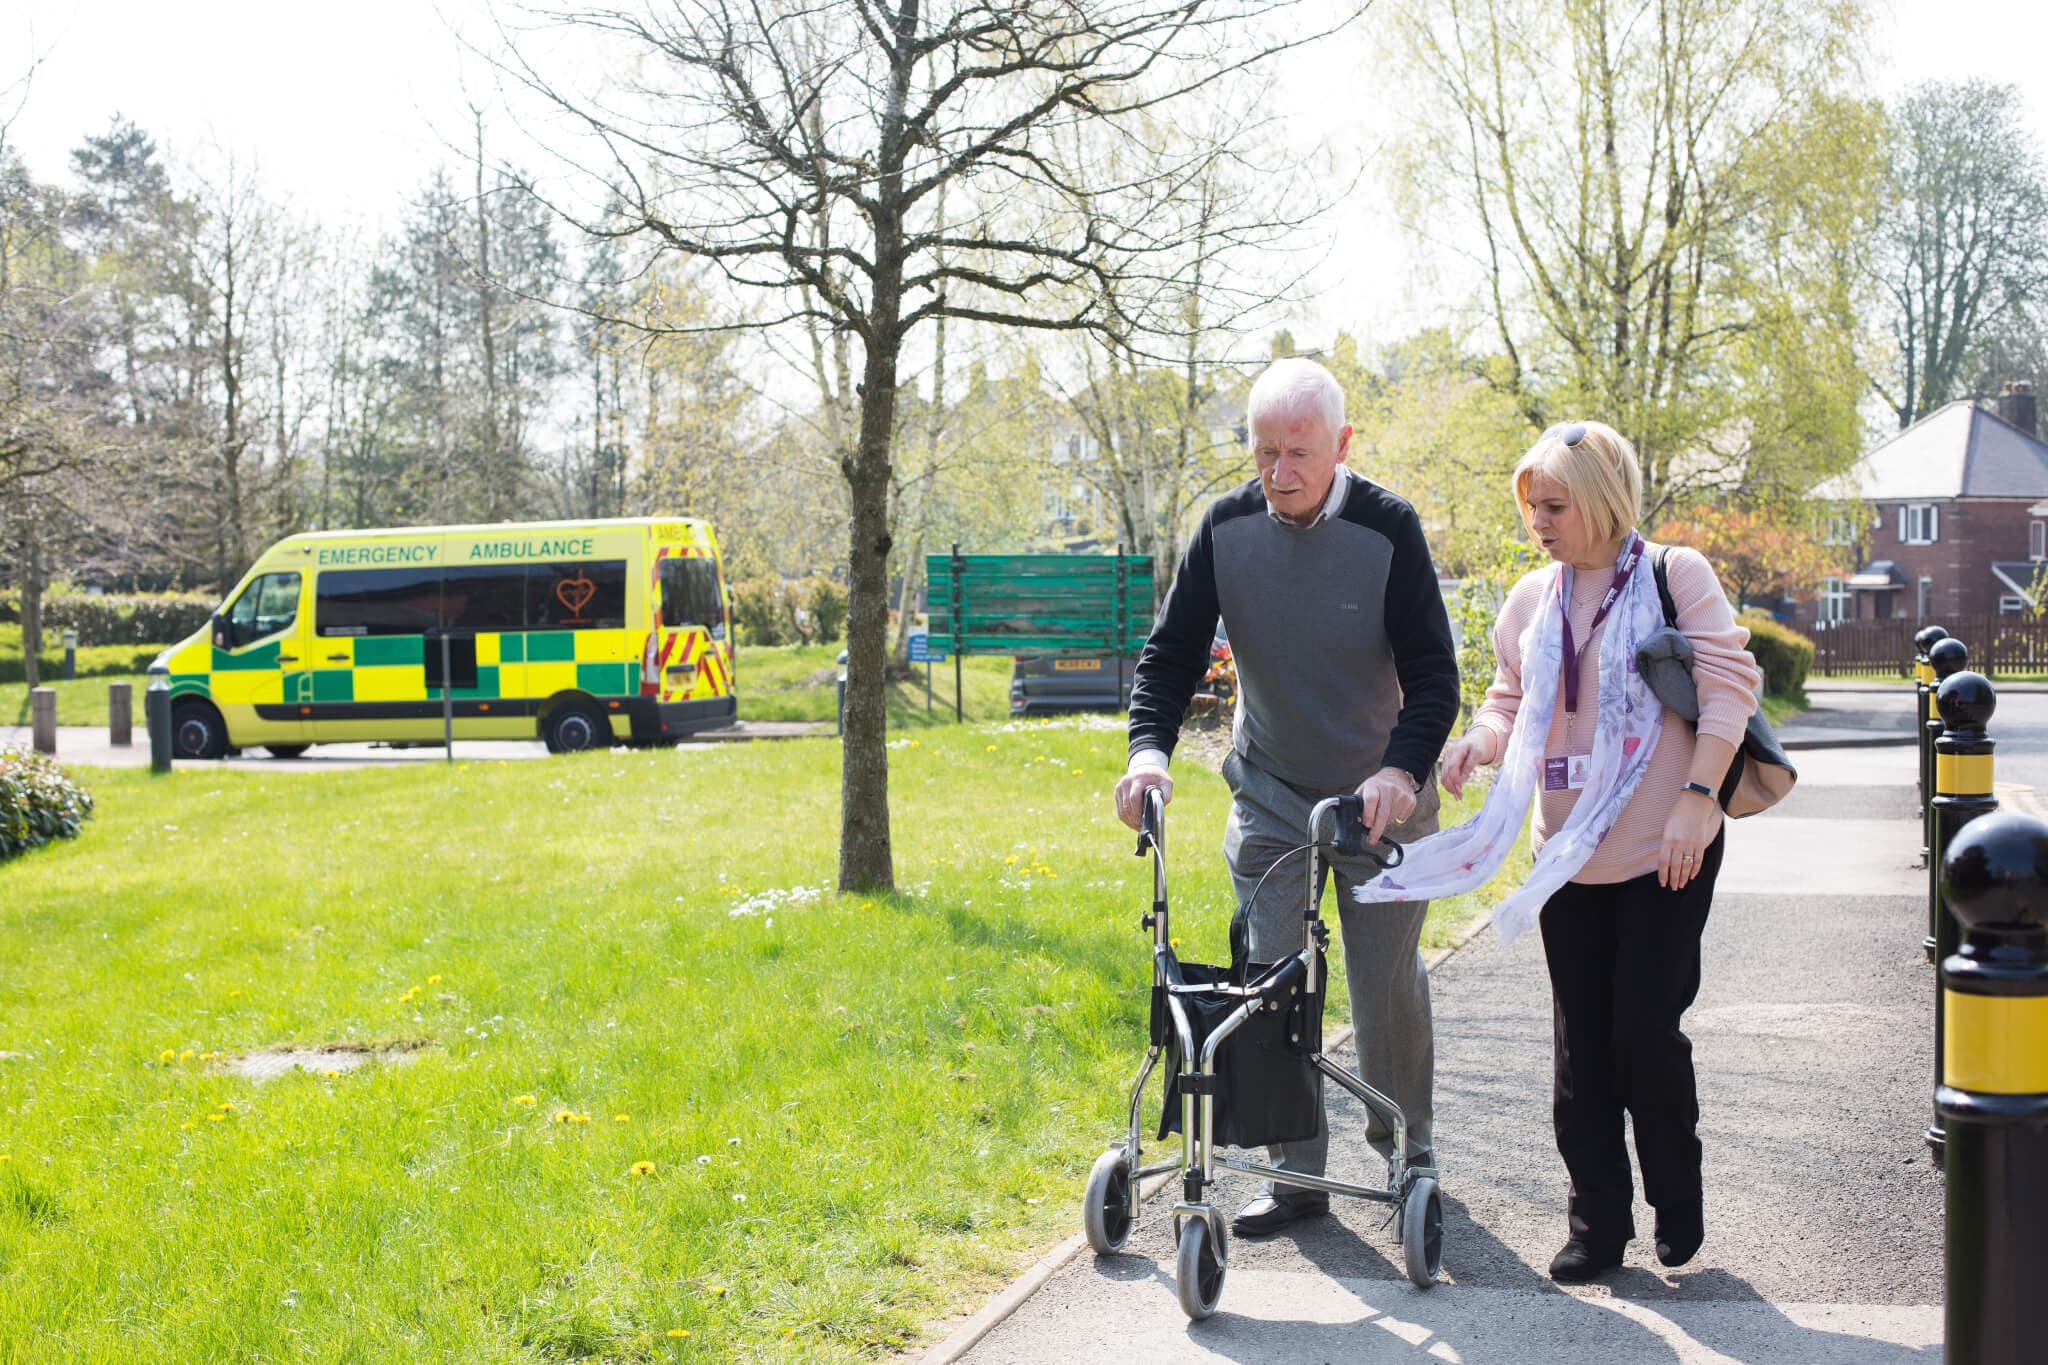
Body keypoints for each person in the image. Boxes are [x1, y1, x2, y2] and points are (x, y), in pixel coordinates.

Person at [1113, 357, 1460, 1237]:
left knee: (1383, 989)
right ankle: (1295, 1172)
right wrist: (1148, 754)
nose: (1279, 472)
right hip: (1270, 795)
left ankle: (1405, 1148)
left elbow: (1433, 677)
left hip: (1381, 795)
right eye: (1264, 451)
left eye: (1299, 451)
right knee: (1271, 984)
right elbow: (1169, 658)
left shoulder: (1389, 529)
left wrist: (1398, 772)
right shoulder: (1225, 530)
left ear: (1341, 444)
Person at [1431, 420, 1763, 1281]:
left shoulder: (1672, 575)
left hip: (1667, 849)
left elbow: (1729, 687)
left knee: (1645, 1034)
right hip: (1567, 858)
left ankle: (1676, 1199)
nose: (1538, 521)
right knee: (1582, 1050)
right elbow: (1511, 695)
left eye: (1555, 504)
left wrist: (1699, 800)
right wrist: (1481, 741)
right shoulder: (1530, 598)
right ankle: (1596, 1225)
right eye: (1531, 506)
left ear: (1605, 499)